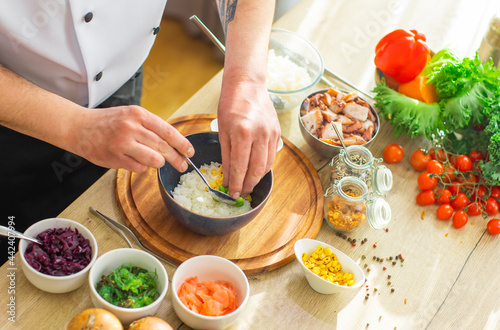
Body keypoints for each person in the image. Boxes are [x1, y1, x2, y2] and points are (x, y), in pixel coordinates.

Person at [0, 0, 281, 263]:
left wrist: (248, 79)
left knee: (101, 217)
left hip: (120, 83)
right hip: (17, 114)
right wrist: (74, 125)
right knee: (19, 255)